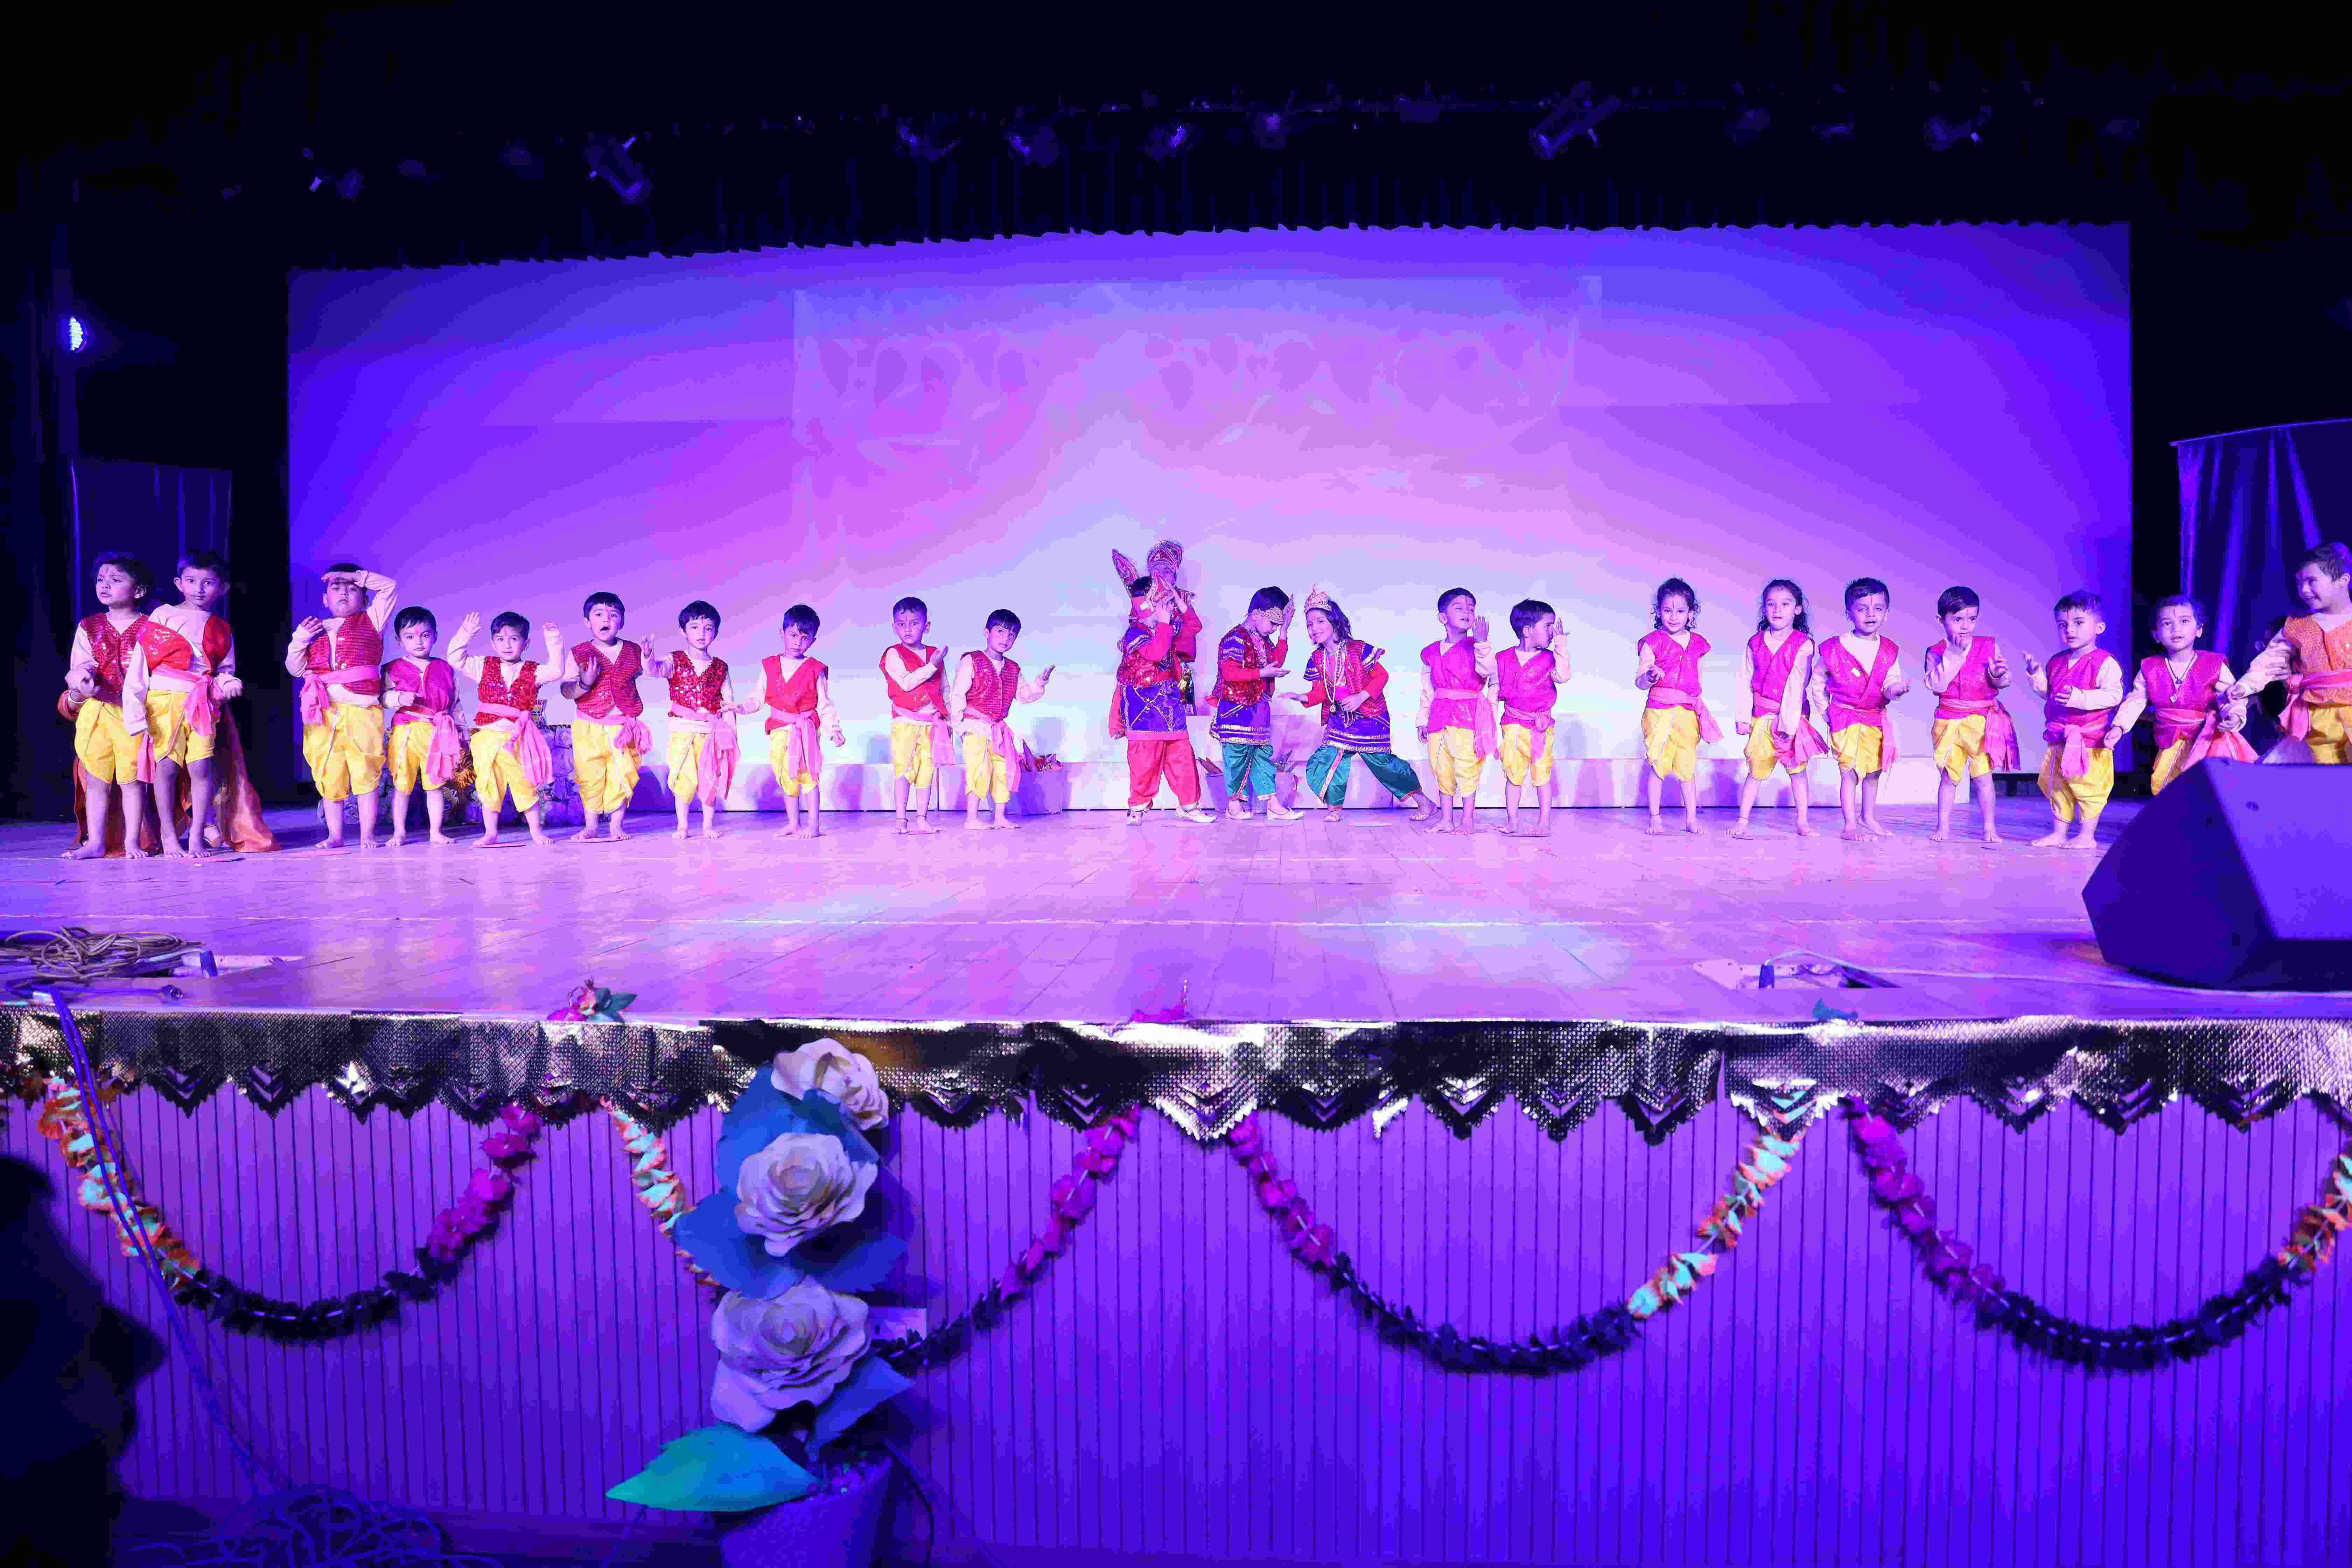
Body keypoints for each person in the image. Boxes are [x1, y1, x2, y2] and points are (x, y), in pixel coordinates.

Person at [121, 550, 246, 860]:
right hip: (164, 700)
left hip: (201, 702)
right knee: (166, 768)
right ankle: (169, 835)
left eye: (208, 583)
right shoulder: (163, 615)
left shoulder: (221, 628)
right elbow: (141, 665)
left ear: (223, 588)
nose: (199, 589)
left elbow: (224, 670)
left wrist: (228, 683)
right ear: (179, 584)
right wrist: (135, 712)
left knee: (202, 767)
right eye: (191, 581)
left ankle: (197, 836)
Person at [1283, 588, 1437, 822]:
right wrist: (1301, 697)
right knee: (1327, 759)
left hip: (1370, 716)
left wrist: (1360, 698)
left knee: (1382, 764)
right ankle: (1335, 809)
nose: (1314, 628)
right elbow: (1321, 693)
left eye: (1320, 621)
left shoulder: (1357, 649)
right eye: (1310, 624)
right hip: (1340, 718)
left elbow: (1382, 676)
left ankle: (1425, 802)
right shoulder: (1317, 659)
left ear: (1334, 622)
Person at [287, 564, 399, 850]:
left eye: (352, 589)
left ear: (365, 597)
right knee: (329, 771)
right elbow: (295, 669)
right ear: (325, 599)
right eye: (336, 589)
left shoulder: (372, 620)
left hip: (362, 711)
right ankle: (335, 835)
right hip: (323, 713)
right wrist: (300, 639)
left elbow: (390, 587)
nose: (344, 594)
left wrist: (356, 576)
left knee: (366, 770)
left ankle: (367, 834)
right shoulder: (314, 631)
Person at [2106, 595, 2256, 793]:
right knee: (2165, 786)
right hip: (2171, 741)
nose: (2176, 629)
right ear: (2156, 635)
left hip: (2208, 739)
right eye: (2167, 623)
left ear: (2199, 629)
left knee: (2210, 788)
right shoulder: (2150, 668)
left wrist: (2235, 715)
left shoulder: (2214, 665)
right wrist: (2119, 727)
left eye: (2184, 621)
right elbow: (2135, 701)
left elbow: (2232, 696)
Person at [61, 553, 153, 860]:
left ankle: (132, 842)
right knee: (97, 781)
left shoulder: (150, 626)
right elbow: (80, 665)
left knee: (132, 781)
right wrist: (81, 680)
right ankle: (96, 842)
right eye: (101, 580)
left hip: (133, 714)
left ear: (138, 590)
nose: (105, 586)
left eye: (115, 580)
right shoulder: (89, 626)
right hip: (97, 711)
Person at [2227, 540, 2352, 763]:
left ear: (2343, 580)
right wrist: (2245, 686)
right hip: (2317, 721)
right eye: (2300, 583)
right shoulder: (2297, 627)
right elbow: (2269, 662)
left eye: (2312, 581)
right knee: (2323, 774)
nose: (2304, 590)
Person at [448, 609, 564, 848]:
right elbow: (455, 658)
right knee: (488, 785)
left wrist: (553, 639)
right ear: (493, 644)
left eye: (514, 639)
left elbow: (557, 671)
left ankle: (536, 832)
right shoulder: (483, 666)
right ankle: (491, 833)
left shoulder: (533, 671)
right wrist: (466, 632)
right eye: (501, 639)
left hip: (518, 739)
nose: (507, 645)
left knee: (525, 784)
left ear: (526, 643)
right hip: (487, 739)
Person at [1811, 576, 1909, 841]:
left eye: (1878, 608)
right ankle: (1850, 825)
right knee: (1850, 771)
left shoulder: (1889, 651)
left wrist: (1897, 690)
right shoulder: (1835, 648)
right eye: (1863, 609)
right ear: (1849, 614)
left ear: (1887, 613)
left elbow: (1889, 684)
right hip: (1845, 718)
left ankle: (1868, 817)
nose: (1870, 615)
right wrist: (1827, 713)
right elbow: (1818, 681)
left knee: (1873, 770)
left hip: (1874, 718)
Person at [2024, 590, 2123, 849]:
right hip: (2059, 738)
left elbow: (2114, 695)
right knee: (2059, 786)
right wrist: (2036, 674)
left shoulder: (2105, 663)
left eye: (2079, 623)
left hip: (2090, 740)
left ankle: (2087, 836)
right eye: (2063, 625)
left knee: (2089, 787)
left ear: (2099, 628)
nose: (2070, 630)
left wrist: (2080, 697)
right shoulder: (2057, 662)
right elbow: (2051, 694)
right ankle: (2059, 833)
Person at [1922, 586, 2021, 846]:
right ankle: (1943, 826)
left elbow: (2001, 682)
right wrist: (1954, 655)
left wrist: (1999, 675)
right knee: (1949, 776)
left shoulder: (1989, 646)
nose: (1966, 626)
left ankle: (1989, 828)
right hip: (1949, 721)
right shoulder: (1936, 651)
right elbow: (1937, 685)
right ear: (1941, 620)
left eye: (1972, 619)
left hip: (1981, 721)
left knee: (1984, 777)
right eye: (1958, 619)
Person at [1113, 580, 1216, 825]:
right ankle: (1137, 809)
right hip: (1143, 710)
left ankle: (1190, 807)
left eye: (1170, 603)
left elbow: (1194, 626)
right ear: (1148, 605)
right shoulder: (1135, 633)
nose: (1170, 608)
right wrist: (1165, 621)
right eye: (1165, 603)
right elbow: (1156, 653)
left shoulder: (1167, 627)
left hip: (1170, 707)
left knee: (1183, 759)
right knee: (1144, 762)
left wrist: (1179, 603)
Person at [1730, 579, 1823, 839]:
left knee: (1797, 771)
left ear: (1798, 609)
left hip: (1792, 719)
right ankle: (1742, 821)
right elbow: (1745, 680)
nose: (1778, 610)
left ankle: (1803, 822)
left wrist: (1789, 726)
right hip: (1762, 717)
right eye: (1771, 604)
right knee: (1755, 770)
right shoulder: (1755, 643)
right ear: (1764, 609)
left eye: (1785, 604)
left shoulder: (1803, 644)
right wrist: (1742, 717)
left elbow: (1796, 685)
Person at [560, 591, 657, 840]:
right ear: (587, 622)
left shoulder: (634, 651)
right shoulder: (579, 653)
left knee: (622, 774)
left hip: (623, 726)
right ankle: (591, 827)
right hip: (589, 725)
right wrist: (585, 683)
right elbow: (567, 691)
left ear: (622, 621)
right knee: (590, 774)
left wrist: (648, 656)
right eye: (599, 615)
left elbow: (650, 672)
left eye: (613, 615)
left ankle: (616, 826)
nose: (606, 620)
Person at [948, 609, 1054, 830]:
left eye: (1012, 635)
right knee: (979, 771)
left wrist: (1040, 684)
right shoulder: (972, 660)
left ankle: (1000, 817)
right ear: (987, 633)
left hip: (998, 729)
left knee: (1002, 771)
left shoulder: (1013, 668)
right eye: (1001, 632)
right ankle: (972, 818)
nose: (1006, 639)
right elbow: (957, 695)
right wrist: (960, 727)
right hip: (974, 726)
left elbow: (1024, 695)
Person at [654, 600, 746, 840]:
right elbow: (656, 670)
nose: (701, 634)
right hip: (682, 730)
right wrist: (647, 657)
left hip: (710, 733)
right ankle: (683, 826)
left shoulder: (721, 667)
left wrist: (732, 735)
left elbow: (728, 703)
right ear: (683, 631)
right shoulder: (674, 660)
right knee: (683, 779)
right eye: (694, 627)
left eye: (708, 628)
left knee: (709, 779)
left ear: (716, 632)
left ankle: (707, 825)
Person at [1634, 577, 1718, 836]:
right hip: (1659, 711)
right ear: (1658, 611)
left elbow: (1698, 680)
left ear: (1691, 613)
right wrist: (1650, 676)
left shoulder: (1698, 644)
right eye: (1668, 610)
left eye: (1681, 611)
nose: (1674, 617)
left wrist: (1698, 707)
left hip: (1687, 713)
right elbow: (1640, 682)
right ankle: (1655, 818)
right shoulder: (1652, 642)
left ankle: (1691, 820)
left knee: (1687, 766)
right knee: (1658, 765)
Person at [1212, 588, 1303, 823]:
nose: (1274, 629)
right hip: (1236, 710)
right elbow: (1230, 673)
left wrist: (1284, 632)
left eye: (1278, 625)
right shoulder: (1235, 638)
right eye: (1273, 624)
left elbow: (1276, 663)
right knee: (1236, 757)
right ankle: (1233, 807)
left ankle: (1273, 805)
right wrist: (1262, 673)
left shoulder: (1263, 640)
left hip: (1258, 710)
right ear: (1256, 614)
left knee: (1262, 756)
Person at [758, 604, 846, 837]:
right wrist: (740, 708)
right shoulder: (770, 666)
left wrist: (834, 730)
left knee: (809, 777)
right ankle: (793, 824)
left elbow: (824, 704)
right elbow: (757, 698)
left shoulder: (815, 669)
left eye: (805, 638)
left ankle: (814, 826)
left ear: (813, 641)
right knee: (787, 777)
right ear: (783, 633)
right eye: (793, 635)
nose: (798, 642)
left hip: (805, 731)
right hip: (780, 731)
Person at [1417, 588, 1498, 834]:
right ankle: (1446, 819)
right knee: (1441, 766)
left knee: (1467, 766)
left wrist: (1482, 642)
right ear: (1443, 617)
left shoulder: (1478, 647)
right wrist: (1423, 718)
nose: (1467, 612)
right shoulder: (1431, 652)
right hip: (1439, 715)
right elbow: (1427, 689)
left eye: (1471, 609)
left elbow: (1487, 671)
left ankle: (1467, 820)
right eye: (1460, 608)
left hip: (1468, 715)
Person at [382, 606, 464, 846]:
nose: (418, 642)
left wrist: (462, 733)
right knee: (402, 785)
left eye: (425, 635)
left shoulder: (445, 669)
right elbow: (382, 698)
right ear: (399, 640)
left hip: (436, 734)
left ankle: (435, 832)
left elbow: (455, 704)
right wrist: (398, 698)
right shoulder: (392, 668)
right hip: (406, 732)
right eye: (410, 637)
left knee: (435, 785)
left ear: (435, 636)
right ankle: (399, 833)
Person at [1494, 598, 1574, 837]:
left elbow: (1563, 676)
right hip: (1513, 724)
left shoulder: (1551, 658)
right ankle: (1512, 820)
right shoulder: (1503, 658)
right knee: (1513, 774)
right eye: (1548, 626)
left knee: (1542, 774)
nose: (1553, 631)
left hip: (1540, 727)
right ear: (1528, 631)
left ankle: (1544, 822)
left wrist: (1561, 644)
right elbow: (1495, 691)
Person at [880, 596, 951, 835]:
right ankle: (901, 820)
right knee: (904, 770)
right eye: (902, 624)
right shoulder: (893, 654)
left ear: (926, 626)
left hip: (931, 724)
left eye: (914, 623)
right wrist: (932, 665)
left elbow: (944, 689)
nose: (908, 629)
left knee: (927, 772)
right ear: (894, 627)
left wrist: (949, 717)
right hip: (906, 722)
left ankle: (922, 819)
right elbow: (907, 683)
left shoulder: (934, 654)